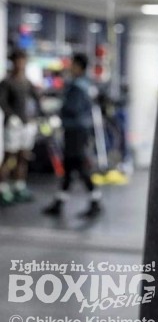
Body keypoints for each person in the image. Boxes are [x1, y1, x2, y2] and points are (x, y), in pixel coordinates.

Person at [43, 53, 101, 218]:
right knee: (69, 167)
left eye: (73, 64)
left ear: (79, 66)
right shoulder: (85, 85)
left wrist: (57, 108)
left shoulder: (77, 87)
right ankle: (59, 202)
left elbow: (72, 108)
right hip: (78, 130)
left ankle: (95, 200)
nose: (70, 68)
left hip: (75, 131)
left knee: (79, 165)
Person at [0, 49, 42, 204]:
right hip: (12, 126)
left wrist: (35, 117)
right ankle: (2, 188)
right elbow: (2, 101)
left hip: (26, 124)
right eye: (19, 61)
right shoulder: (7, 82)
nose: (21, 64)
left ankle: (19, 186)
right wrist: (11, 116)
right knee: (9, 156)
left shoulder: (26, 82)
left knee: (23, 156)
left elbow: (37, 99)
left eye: (23, 61)